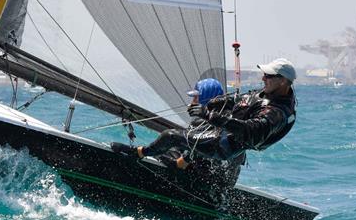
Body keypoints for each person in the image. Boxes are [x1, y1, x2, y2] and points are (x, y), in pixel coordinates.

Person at [111, 58, 297, 169]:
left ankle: (138, 153)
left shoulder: (277, 113)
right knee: (191, 137)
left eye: (269, 75)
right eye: (264, 74)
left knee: (171, 136)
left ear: (283, 81)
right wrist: (216, 102)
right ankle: (181, 162)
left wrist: (208, 114)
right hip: (223, 136)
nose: (263, 78)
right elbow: (243, 100)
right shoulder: (269, 92)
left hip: (226, 147)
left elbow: (249, 130)